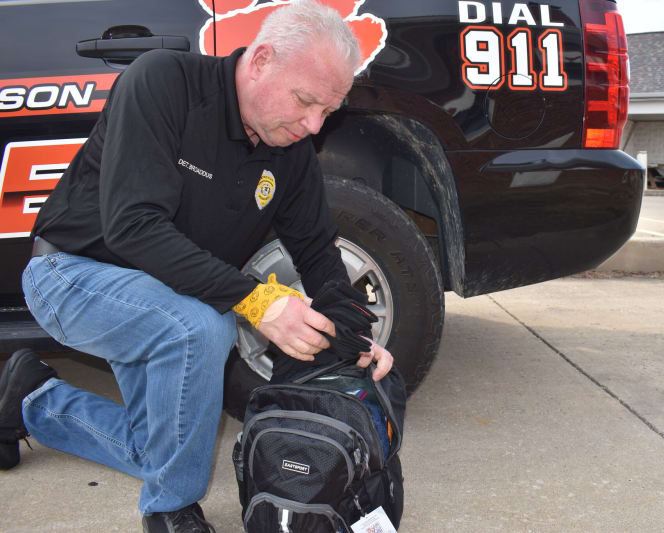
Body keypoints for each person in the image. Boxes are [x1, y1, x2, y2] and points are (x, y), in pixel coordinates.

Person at [0, 1, 393, 531]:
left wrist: (355, 335)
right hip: (71, 274)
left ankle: (31, 401)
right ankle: (170, 512)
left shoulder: (290, 145)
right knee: (204, 327)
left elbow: (318, 250)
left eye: (329, 111)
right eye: (305, 102)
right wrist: (257, 302)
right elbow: (133, 225)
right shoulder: (164, 82)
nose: (314, 124)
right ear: (260, 61)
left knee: (158, 451)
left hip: (167, 295)